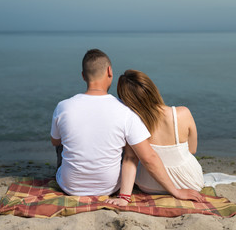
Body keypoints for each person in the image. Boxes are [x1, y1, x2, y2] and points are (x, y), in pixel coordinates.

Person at [50, 49, 203, 203]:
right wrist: (175, 191)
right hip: (109, 188)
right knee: (126, 141)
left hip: (70, 187)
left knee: (62, 141)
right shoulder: (126, 111)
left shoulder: (62, 107)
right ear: (110, 71)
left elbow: (55, 142)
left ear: (83, 76)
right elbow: (149, 157)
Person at [106, 69, 204, 205]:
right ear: (152, 89)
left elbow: (130, 159)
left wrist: (124, 197)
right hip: (189, 182)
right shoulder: (183, 113)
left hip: (149, 184)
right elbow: (192, 150)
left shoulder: (133, 123)